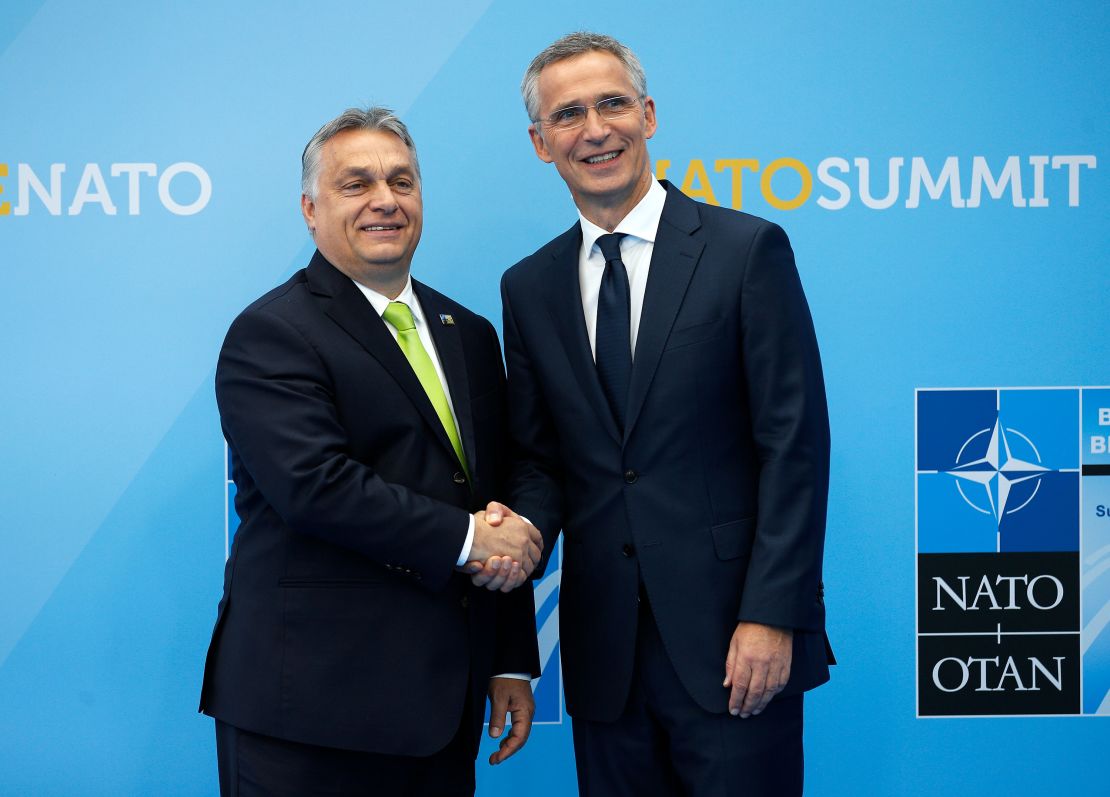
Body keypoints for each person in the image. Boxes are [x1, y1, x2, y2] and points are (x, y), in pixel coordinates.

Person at [488, 32, 833, 796]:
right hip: (605, 656)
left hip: (735, 646)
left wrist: (773, 614)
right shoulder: (528, 287)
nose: (596, 128)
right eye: (569, 114)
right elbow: (542, 460)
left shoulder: (747, 251)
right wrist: (520, 533)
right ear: (542, 143)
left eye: (613, 103)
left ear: (647, 114)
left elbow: (795, 446)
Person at [199, 106, 543, 797]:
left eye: (401, 181)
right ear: (310, 209)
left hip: (440, 710)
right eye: (356, 184)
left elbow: (496, 487)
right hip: (308, 716)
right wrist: (470, 537)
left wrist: (509, 658)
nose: (385, 200)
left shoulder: (467, 331)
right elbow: (314, 485)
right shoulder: (272, 332)